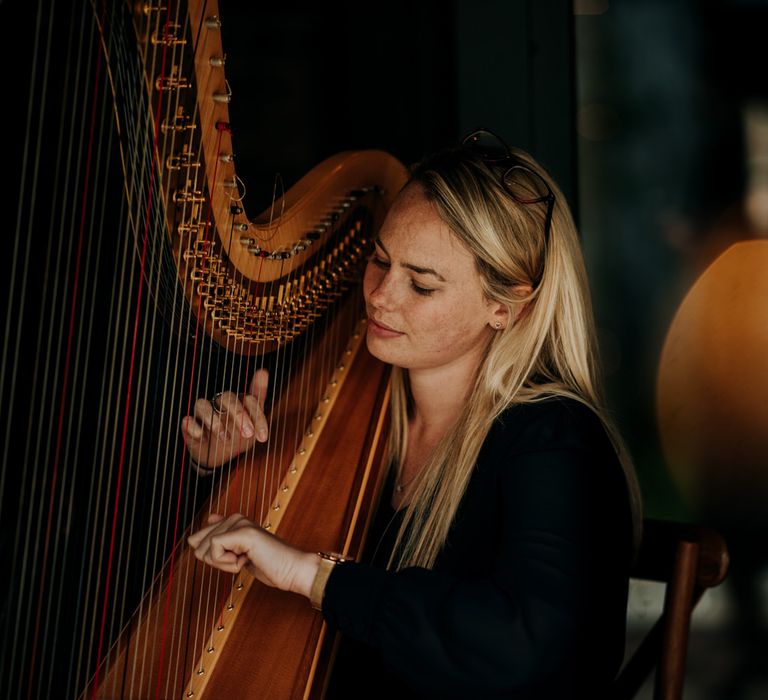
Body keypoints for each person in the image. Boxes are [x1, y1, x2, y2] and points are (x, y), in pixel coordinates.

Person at [182, 129, 642, 699]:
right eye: (379, 260)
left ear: (505, 305)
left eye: (421, 285)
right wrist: (216, 467)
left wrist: (310, 575)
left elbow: (525, 647)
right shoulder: (367, 411)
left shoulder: (555, 441)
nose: (379, 296)